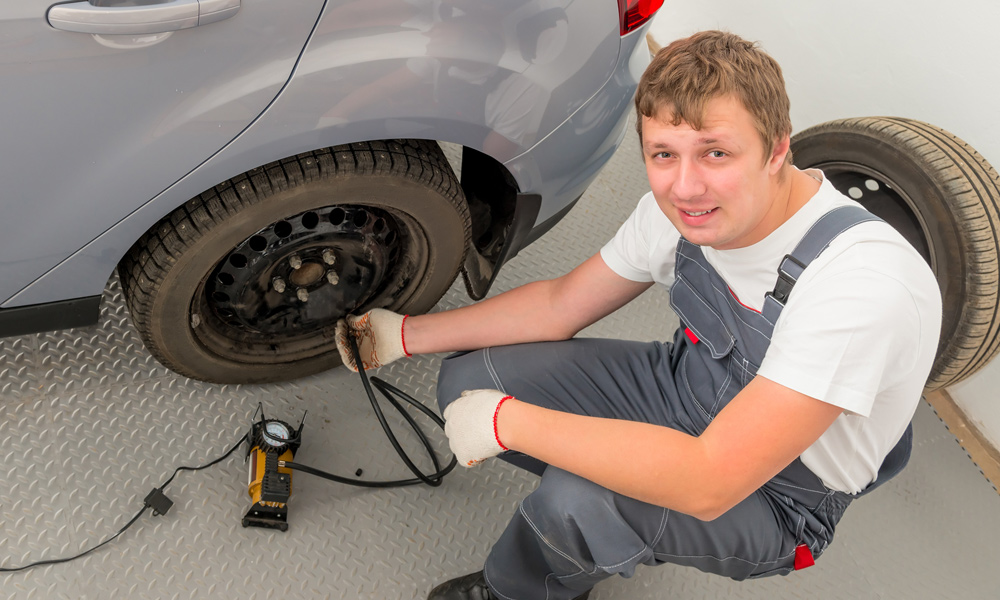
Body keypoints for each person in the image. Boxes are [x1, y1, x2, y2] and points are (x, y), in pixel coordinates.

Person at [335, 30, 942, 600]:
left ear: (777, 149)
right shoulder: (680, 211)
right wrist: (404, 335)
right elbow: (561, 304)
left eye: (716, 152)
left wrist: (509, 423)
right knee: (470, 380)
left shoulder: (860, 285)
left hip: (778, 492)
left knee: (578, 500)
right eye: (663, 154)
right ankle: (610, 516)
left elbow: (710, 479)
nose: (686, 187)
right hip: (685, 389)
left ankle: (523, 587)